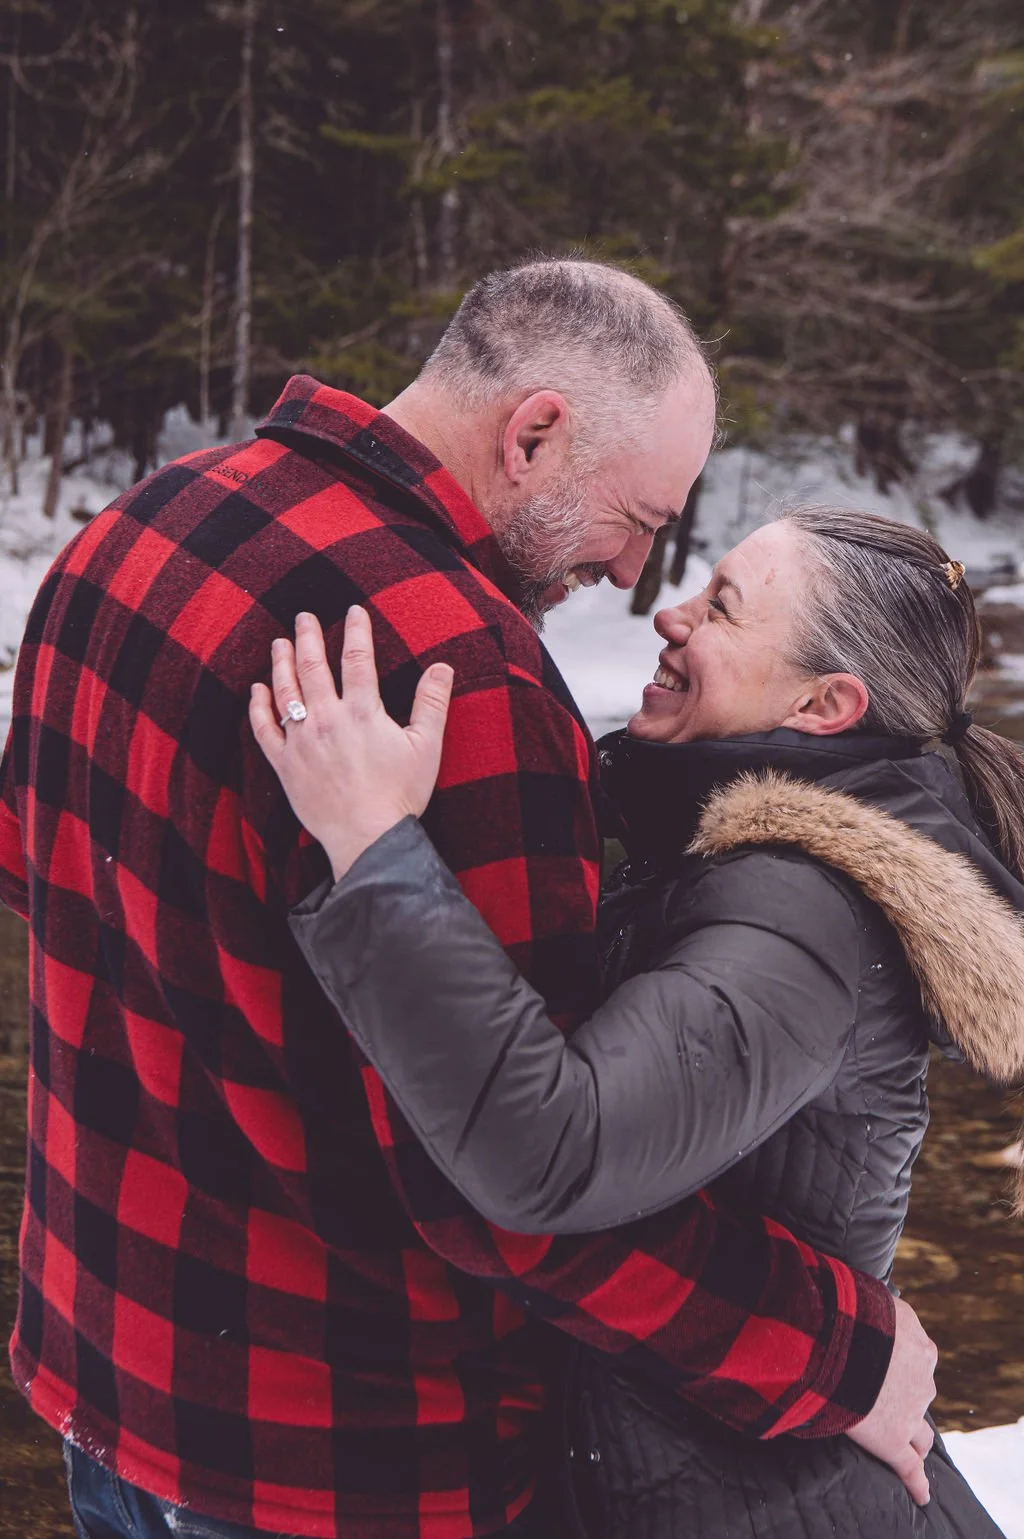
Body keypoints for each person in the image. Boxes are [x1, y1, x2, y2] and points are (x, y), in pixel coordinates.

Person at [0, 260, 933, 1539]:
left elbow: (45, 881)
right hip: (336, 1457)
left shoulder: (138, 527)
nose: (629, 574)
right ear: (533, 433)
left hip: (103, 1379)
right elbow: (520, 1197)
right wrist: (836, 1353)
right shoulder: (462, 677)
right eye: (637, 516)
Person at [249, 506, 1024, 1538]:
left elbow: (554, 1156)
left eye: (721, 608)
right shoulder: (703, 846)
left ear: (824, 702)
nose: (669, 616)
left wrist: (373, 844)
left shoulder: (798, 911)